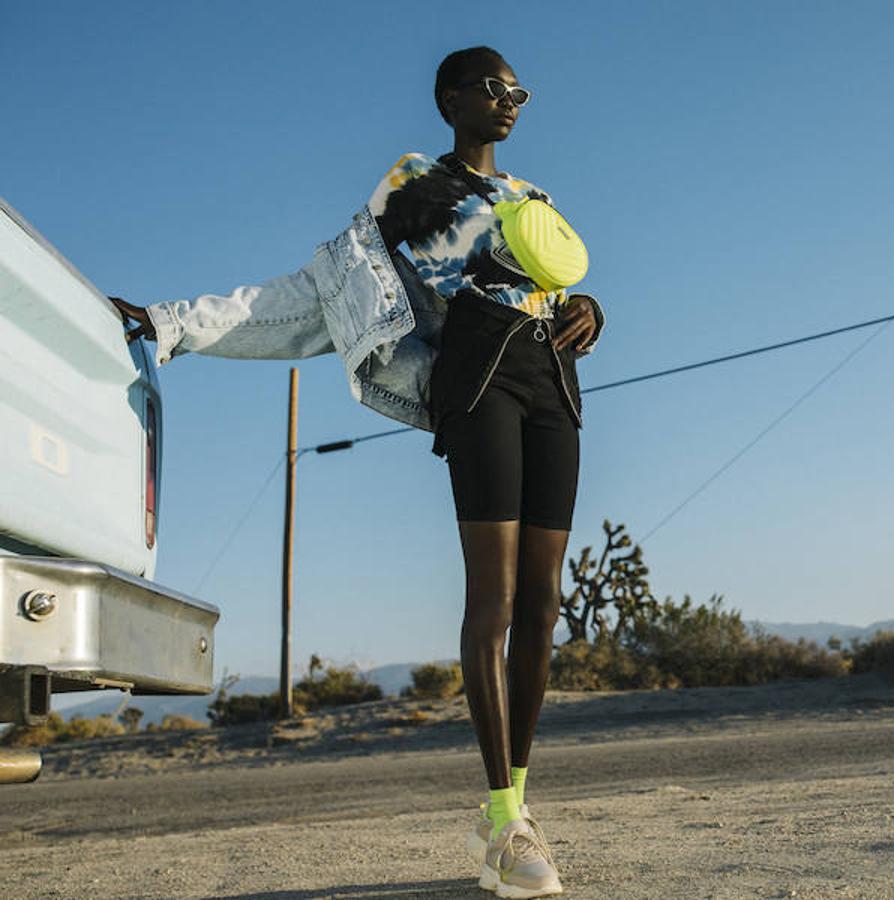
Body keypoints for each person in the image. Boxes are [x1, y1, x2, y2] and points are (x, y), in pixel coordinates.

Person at [112, 45, 599, 899]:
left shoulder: (532, 199)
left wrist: (589, 307)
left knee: (544, 602)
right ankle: (504, 817)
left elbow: (557, 287)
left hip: (554, 380)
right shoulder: (412, 187)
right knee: (493, 595)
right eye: (495, 87)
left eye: (520, 90)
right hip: (477, 372)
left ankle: (513, 808)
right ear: (451, 98)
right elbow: (311, 293)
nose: (512, 100)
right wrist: (170, 321)